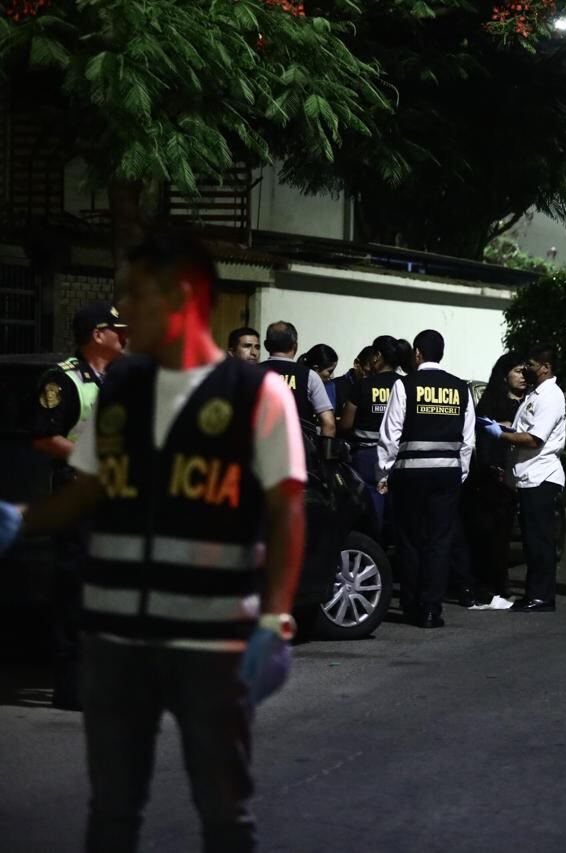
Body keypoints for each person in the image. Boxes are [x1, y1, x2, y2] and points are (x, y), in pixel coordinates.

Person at [0, 230, 306, 851]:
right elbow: (91, 487)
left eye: (137, 297)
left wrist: (274, 619)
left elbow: (287, 512)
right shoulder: (121, 388)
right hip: (115, 639)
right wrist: (21, 521)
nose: (125, 315)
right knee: (112, 814)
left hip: (210, 638)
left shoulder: (256, 393)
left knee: (223, 813)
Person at [31, 301, 127, 710]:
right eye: (119, 330)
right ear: (97, 335)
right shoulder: (63, 380)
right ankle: (70, 687)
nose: (126, 337)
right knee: (76, 592)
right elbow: (44, 436)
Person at [377, 329, 476, 628]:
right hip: (447, 474)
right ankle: (432, 609)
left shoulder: (405, 385)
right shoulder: (460, 388)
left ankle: (411, 606)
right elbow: (468, 440)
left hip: (410, 474)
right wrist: (460, 473)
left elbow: (391, 434)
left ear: (417, 353)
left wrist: (383, 472)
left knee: (409, 541)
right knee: (440, 541)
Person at [484, 343, 566, 612]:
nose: (525, 369)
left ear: (545, 368)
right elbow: (522, 427)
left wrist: (500, 434)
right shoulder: (535, 394)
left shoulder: (550, 396)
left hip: (541, 475)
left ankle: (541, 597)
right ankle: (535, 593)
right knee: (532, 540)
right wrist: (505, 428)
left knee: (540, 541)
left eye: (530, 365)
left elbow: (534, 439)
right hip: (528, 476)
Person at [463, 352, 527, 606]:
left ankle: (501, 583)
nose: (523, 376)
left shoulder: (530, 401)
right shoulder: (490, 402)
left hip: (523, 475)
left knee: (506, 536)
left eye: (525, 371)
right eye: (517, 371)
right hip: (493, 478)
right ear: (504, 375)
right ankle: (487, 586)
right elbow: (482, 438)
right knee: (489, 535)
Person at [339, 336, 401, 528]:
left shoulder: (363, 385)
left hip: (367, 457)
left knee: (371, 511)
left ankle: (374, 543)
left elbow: (346, 424)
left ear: (377, 356)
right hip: (399, 457)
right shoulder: (406, 384)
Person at [262, 321, 336, 439]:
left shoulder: (251, 373)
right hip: (298, 446)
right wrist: (324, 449)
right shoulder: (310, 376)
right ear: (295, 346)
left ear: (266, 345)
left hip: (260, 445)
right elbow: (329, 424)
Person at [333, 345, 374, 420]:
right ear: (356, 363)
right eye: (366, 372)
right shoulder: (334, 385)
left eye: (372, 374)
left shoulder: (375, 388)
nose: (368, 377)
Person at [299, 343, 340, 410]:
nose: (332, 376)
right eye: (330, 371)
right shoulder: (298, 385)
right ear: (316, 369)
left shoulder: (329, 386)